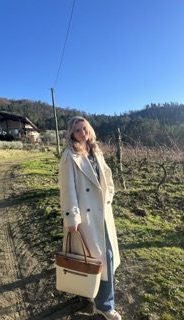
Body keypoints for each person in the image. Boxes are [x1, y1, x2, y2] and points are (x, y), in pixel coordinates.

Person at [59, 116, 121, 320]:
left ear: (90, 129)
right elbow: (67, 189)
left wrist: (109, 194)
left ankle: (97, 293)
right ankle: (105, 305)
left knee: (106, 256)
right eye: (78, 130)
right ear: (72, 134)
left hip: (102, 211)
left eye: (85, 128)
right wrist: (72, 218)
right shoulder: (70, 155)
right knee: (98, 258)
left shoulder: (96, 150)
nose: (83, 133)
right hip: (85, 216)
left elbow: (108, 176)